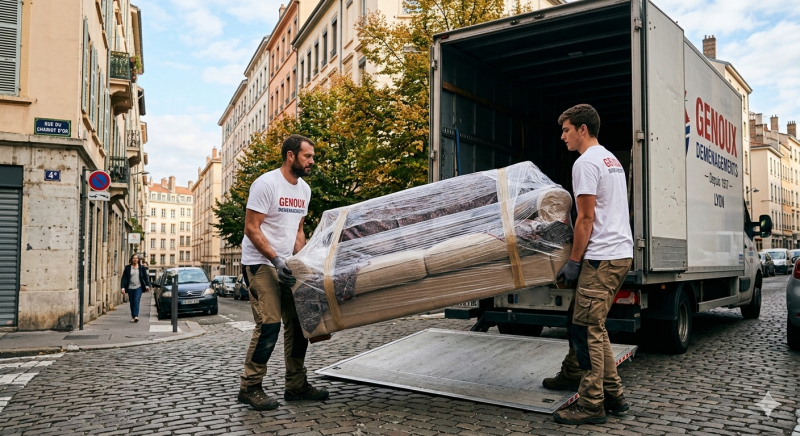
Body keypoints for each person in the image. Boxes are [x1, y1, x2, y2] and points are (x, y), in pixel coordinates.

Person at [545, 104, 634, 425]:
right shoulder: (610, 159)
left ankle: (592, 404)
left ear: (583, 129)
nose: (563, 136)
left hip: (602, 257)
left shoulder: (585, 163)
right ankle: (615, 396)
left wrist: (572, 261)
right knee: (591, 326)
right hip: (617, 253)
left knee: (586, 330)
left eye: (567, 129)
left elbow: (585, 218)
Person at [237, 134, 328, 411]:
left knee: (300, 323)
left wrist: (302, 263)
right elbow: (251, 228)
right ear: (291, 156)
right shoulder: (266, 184)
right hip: (260, 263)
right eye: (307, 156)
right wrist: (276, 260)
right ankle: (250, 387)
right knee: (269, 324)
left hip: (287, 263)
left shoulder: (304, 190)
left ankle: (296, 385)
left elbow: (298, 231)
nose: (312, 161)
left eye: (312, 156)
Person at [120, 253, 151, 323]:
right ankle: (133, 316)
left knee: (136, 301)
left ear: (138, 260)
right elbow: (124, 278)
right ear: (131, 259)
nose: (135, 259)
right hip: (130, 287)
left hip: (138, 287)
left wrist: (147, 285)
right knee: (132, 302)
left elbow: (145, 277)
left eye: (136, 258)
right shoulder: (127, 268)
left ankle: (136, 316)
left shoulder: (141, 268)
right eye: (134, 258)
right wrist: (122, 287)